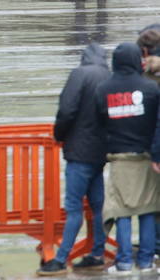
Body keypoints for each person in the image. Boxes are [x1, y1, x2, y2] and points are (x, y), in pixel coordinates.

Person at [36, 43, 110, 276]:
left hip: (79, 151)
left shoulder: (79, 74)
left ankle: (61, 258)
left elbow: (67, 109)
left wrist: (59, 134)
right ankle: (97, 253)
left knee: (74, 207)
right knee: (98, 206)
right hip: (101, 153)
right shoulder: (108, 76)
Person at [96, 43, 160, 274]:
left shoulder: (103, 89)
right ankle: (145, 260)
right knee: (147, 209)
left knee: (120, 210)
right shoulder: (151, 89)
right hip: (146, 158)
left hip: (118, 159)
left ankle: (122, 262)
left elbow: (97, 123)